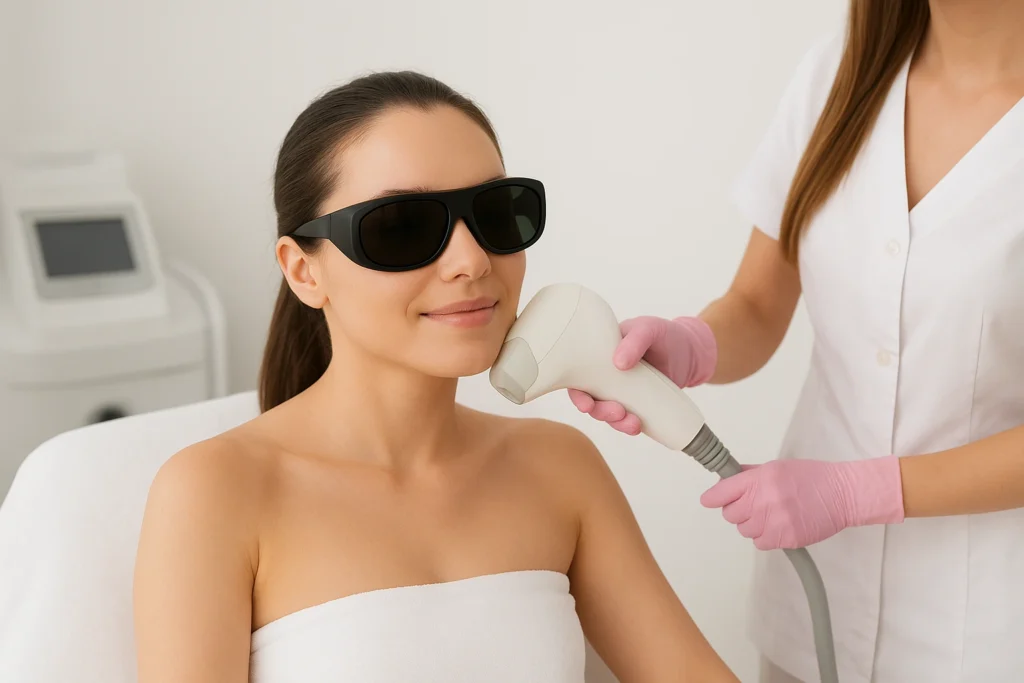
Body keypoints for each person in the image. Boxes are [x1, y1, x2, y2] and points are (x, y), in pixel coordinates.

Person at [132, 71, 741, 683]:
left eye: (497, 214)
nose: (472, 261)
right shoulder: (214, 492)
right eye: (402, 227)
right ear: (303, 271)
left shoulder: (559, 468)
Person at [569, 1, 1024, 681]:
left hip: (985, 633)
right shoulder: (839, 75)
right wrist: (688, 346)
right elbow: (757, 303)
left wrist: (857, 491)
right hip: (812, 615)